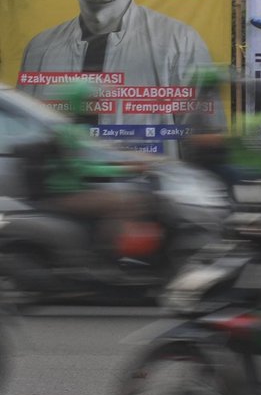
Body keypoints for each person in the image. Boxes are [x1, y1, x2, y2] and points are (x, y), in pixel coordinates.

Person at [18, 0, 222, 157]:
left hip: (149, 192)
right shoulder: (40, 49)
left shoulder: (179, 42)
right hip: (63, 192)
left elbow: (205, 141)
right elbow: (25, 134)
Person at [21, 79, 160, 266]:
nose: (97, 105)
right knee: (126, 202)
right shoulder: (69, 132)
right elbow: (83, 169)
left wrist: (126, 163)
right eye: (92, 100)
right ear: (80, 101)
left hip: (73, 190)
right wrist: (125, 169)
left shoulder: (75, 129)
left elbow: (95, 157)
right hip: (64, 195)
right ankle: (107, 256)